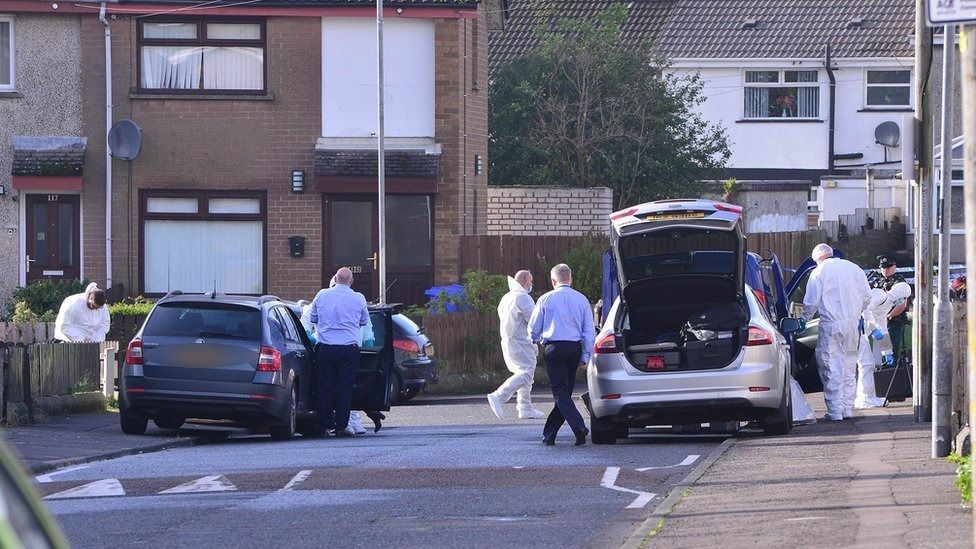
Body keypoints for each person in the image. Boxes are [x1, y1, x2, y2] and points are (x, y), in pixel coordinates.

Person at [800, 244, 872, 421]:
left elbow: (811, 302)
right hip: (853, 324)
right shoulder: (854, 269)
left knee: (830, 366)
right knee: (849, 364)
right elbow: (867, 297)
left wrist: (803, 320)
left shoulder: (819, 272)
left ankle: (835, 411)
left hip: (831, 324)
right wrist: (855, 312)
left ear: (818, 259)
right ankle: (847, 408)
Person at [529, 264, 595, 445]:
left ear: (553, 281)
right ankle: (549, 434)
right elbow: (589, 331)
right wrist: (586, 356)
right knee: (564, 393)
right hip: (574, 349)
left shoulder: (545, 299)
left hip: (554, 348)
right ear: (570, 279)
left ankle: (579, 427)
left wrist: (539, 339)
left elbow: (533, 329)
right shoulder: (581, 300)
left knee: (560, 393)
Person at [309, 267, 370, 437]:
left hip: (326, 347)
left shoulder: (322, 295)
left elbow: (313, 318)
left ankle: (323, 426)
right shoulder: (358, 298)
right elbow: (364, 320)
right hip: (348, 349)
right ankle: (342, 426)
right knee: (345, 388)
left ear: (335, 279)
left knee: (324, 387)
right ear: (351, 281)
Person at [487, 270, 545, 420]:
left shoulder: (507, 297)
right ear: (525, 281)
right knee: (526, 373)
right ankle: (499, 396)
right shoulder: (523, 298)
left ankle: (525, 408)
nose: (532, 284)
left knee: (524, 372)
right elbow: (533, 320)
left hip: (509, 340)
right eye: (531, 281)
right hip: (521, 341)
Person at [867, 254, 912, 360]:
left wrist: (888, 316)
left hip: (894, 320)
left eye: (888, 267)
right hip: (877, 320)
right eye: (883, 267)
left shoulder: (899, 282)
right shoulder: (878, 281)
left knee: (892, 349)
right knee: (879, 352)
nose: (885, 270)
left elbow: (902, 304)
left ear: (894, 267)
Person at [855, 288, 891, 409]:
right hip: (858, 330)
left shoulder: (886, 303)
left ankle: (865, 397)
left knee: (866, 365)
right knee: (865, 364)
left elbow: (882, 325)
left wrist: (887, 351)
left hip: (860, 331)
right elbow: (865, 309)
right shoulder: (880, 296)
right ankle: (865, 398)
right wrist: (873, 327)